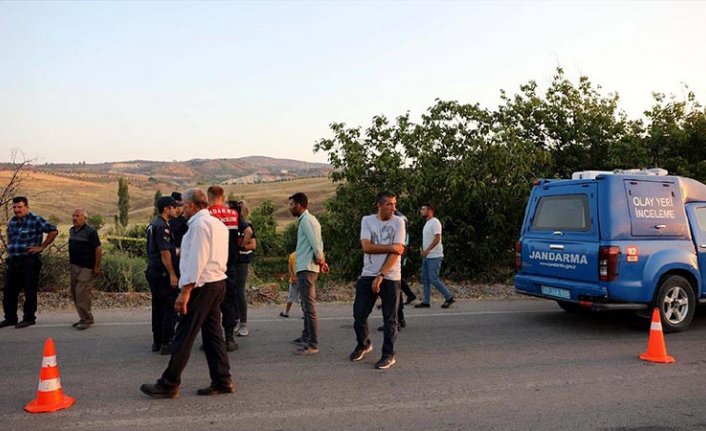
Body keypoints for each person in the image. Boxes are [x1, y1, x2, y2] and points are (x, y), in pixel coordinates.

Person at [140, 188, 234, 399]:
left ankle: (169, 383)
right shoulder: (217, 224)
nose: (181, 210)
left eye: (183, 205)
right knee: (213, 334)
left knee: (184, 334)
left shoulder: (199, 226)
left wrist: (185, 291)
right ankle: (222, 379)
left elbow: (197, 260)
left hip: (203, 285)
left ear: (192, 205)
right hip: (217, 282)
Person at [350, 191, 405, 370]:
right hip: (368, 273)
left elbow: (396, 255)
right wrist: (391, 247)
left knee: (390, 318)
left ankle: (388, 355)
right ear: (379, 205)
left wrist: (381, 275)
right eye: (389, 204)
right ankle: (363, 344)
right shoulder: (367, 220)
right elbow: (366, 247)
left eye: (394, 204)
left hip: (390, 276)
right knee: (359, 314)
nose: (393, 208)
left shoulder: (399, 222)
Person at [1, 196, 58, 328]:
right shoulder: (13, 222)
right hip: (14, 260)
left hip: (29, 261)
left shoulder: (35, 219)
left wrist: (41, 247)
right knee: (9, 291)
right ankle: (10, 318)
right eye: (14, 207)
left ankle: (29, 317)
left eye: (20, 207)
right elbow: (10, 237)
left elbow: (53, 231)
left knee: (29, 290)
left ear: (26, 207)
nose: (17, 210)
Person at [288, 192, 329, 355]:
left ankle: (312, 344)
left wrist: (321, 260)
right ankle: (306, 337)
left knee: (309, 307)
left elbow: (316, 244)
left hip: (307, 268)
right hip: (306, 267)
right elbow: (318, 243)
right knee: (306, 306)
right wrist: (322, 261)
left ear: (299, 205)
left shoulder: (307, 221)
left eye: (291, 205)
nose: (290, 208)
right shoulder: (308, 220)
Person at [207, 186, 240, 351]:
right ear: (223, 196)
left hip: (210, 264)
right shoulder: (233, 214)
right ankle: (229, 339)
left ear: (209, 197)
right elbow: (245, 233)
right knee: (229, 301)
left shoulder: (206, 214)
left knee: (209, 302)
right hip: (229, 263)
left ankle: (211, 340)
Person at [145, 196, 180, 354]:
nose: (176, 210)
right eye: (173, 207)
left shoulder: (154, 223)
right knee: (169, 307)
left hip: (153, 270)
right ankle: (167, 342)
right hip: (162, 272)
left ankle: (157, 341)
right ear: (166, 209)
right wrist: (172, 273)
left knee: (158, 307)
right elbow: (164, 252)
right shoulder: (162, 226)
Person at [415, 203, 455, 309]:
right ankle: (426, 301)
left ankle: (449, 297)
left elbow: (437, 238)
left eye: (424, 209)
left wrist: (428, 250)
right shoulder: (427, 223)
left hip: (435, 256)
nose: (421, 211)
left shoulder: (435, 222)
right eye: (421, 209)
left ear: (430, 210)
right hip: (427, 256)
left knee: (433, 278)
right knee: (425, 279)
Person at [68, 208, 102, 330]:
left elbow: (98, 249)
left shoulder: (91, 231)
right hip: (74, 265)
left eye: (77, 215)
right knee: (74, 292)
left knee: (81, 292)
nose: (74, 218)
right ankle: (84, 317)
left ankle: (86, 319)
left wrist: (96, 266)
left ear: (84, 218)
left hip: (87, 267)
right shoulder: (72, 230)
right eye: (73, 215)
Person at [229, 200, 256, 337]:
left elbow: (253, 245)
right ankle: (236, 320)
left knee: (239, 291)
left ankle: (244, 323)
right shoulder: (232, 226)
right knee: (232, 291)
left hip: (242, 261)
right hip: (232, 260)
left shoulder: (247, 226)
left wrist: (240, 246)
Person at [168, 191, 189, 260]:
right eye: (175, 206)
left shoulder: (187, 221)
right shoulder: (164, 221)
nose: (177, 209)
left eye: (180, 205)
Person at [279, 252, 298, 318]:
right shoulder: (304, 254)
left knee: (291, 296)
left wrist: (292, 276)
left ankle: (286, 312)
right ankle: (305, 313)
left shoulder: (292, 255)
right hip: (303, 279)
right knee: (304, 297)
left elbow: (289, 267)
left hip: (294, 279)